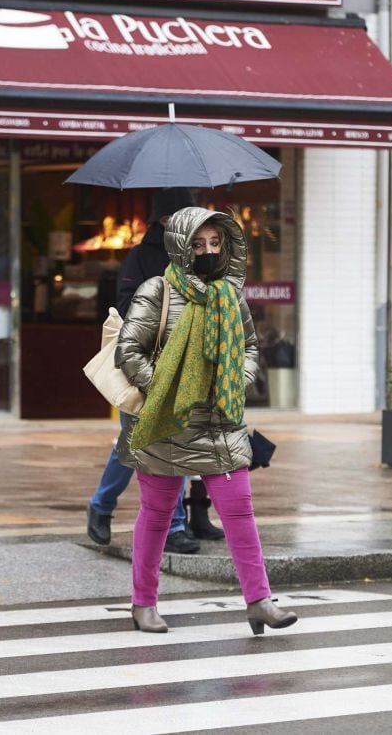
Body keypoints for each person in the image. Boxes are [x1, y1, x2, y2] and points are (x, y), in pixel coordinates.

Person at [115, 207, 298, 635]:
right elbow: (129, 351)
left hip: (222, 421)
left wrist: (240, 377)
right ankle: (143, 604)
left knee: (240, 512)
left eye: (215, 243)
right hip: (166, 421)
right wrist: (169, 386)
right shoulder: (156, 290)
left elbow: (251, 347)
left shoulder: (231, 295)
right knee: (158, 515)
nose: (208, 251)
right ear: (180, 246)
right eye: (198, 244)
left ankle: (259, 601)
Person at [86, 188, 223, 555]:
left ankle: (177, 524)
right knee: (132, 443)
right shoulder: (141, 258)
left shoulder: (198, 256)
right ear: (166, 220)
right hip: (145, 361)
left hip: (188, 363)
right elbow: (127, 307)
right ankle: (101, 506)